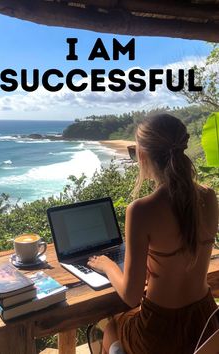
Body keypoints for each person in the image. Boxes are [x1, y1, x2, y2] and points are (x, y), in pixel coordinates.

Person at [87, 113, 219, 354]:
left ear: (143, 155)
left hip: (160, 333)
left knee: (111, 327)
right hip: (206, 323)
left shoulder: (141, 210)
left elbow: (131, 296)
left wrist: (107, 266)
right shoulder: (209, 197)